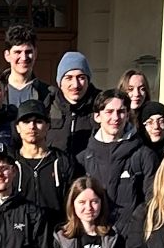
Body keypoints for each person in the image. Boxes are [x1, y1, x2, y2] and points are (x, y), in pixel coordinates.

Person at [81, 91, 150, 225]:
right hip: (95, 238)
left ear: (128, 114)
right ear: (97, 116)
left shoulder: (144, 156)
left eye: (121, 111)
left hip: (131, 238)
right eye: (109, 111)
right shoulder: (84, 159)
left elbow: (152, 201)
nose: (115, 117)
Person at [10, 100, 74, 222]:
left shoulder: (62, 162)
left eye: (38, 121)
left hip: (55, 234)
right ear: (17, 127)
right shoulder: (10, 164)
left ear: (48, 126)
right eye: (26, 121)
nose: (32, 126)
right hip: (19, 235)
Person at [48, 52, 99, 158]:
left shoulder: (100, 106)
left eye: (81, 77)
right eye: (69, 78)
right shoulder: (48, 105)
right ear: (60, 82)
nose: (75, 85)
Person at [1, 25, 50, 110]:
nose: (24, 57)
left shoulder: (48, 94)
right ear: (7, 55)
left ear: (35, 53)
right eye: (18, 52)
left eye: (28, 52)